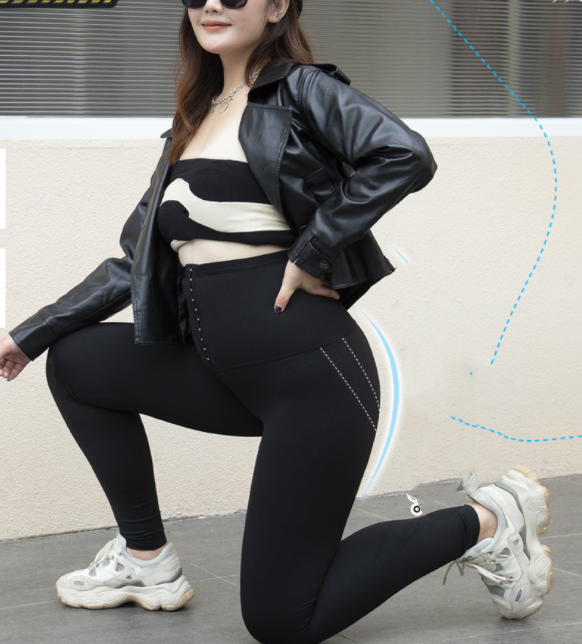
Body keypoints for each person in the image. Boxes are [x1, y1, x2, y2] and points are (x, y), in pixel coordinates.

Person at [0, 0, 552, 642]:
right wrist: (27, 336)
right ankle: (146, 561)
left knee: (281, 620)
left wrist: (314, 248)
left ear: (278, 6)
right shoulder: (194, 118)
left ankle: (488, 521)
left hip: (311, 381)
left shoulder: (301, 89)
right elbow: (135, 260)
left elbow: (404, 153)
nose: (213, 3)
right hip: (224, 372)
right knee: (77, 360)